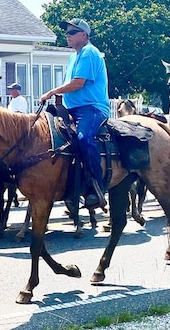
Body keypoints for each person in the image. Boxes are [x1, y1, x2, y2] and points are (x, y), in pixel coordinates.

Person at [39, 18, 109, 210]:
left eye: (71, 33)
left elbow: (78, 83)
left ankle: (97, 186)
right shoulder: (72, 57)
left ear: (83, 35)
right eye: (67, 32)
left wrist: (52, 92)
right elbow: (70, 86)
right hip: (72, 110)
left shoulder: (89, 52)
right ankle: (70, 184)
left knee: (84, 138)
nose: (67, 36)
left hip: (92, 108)